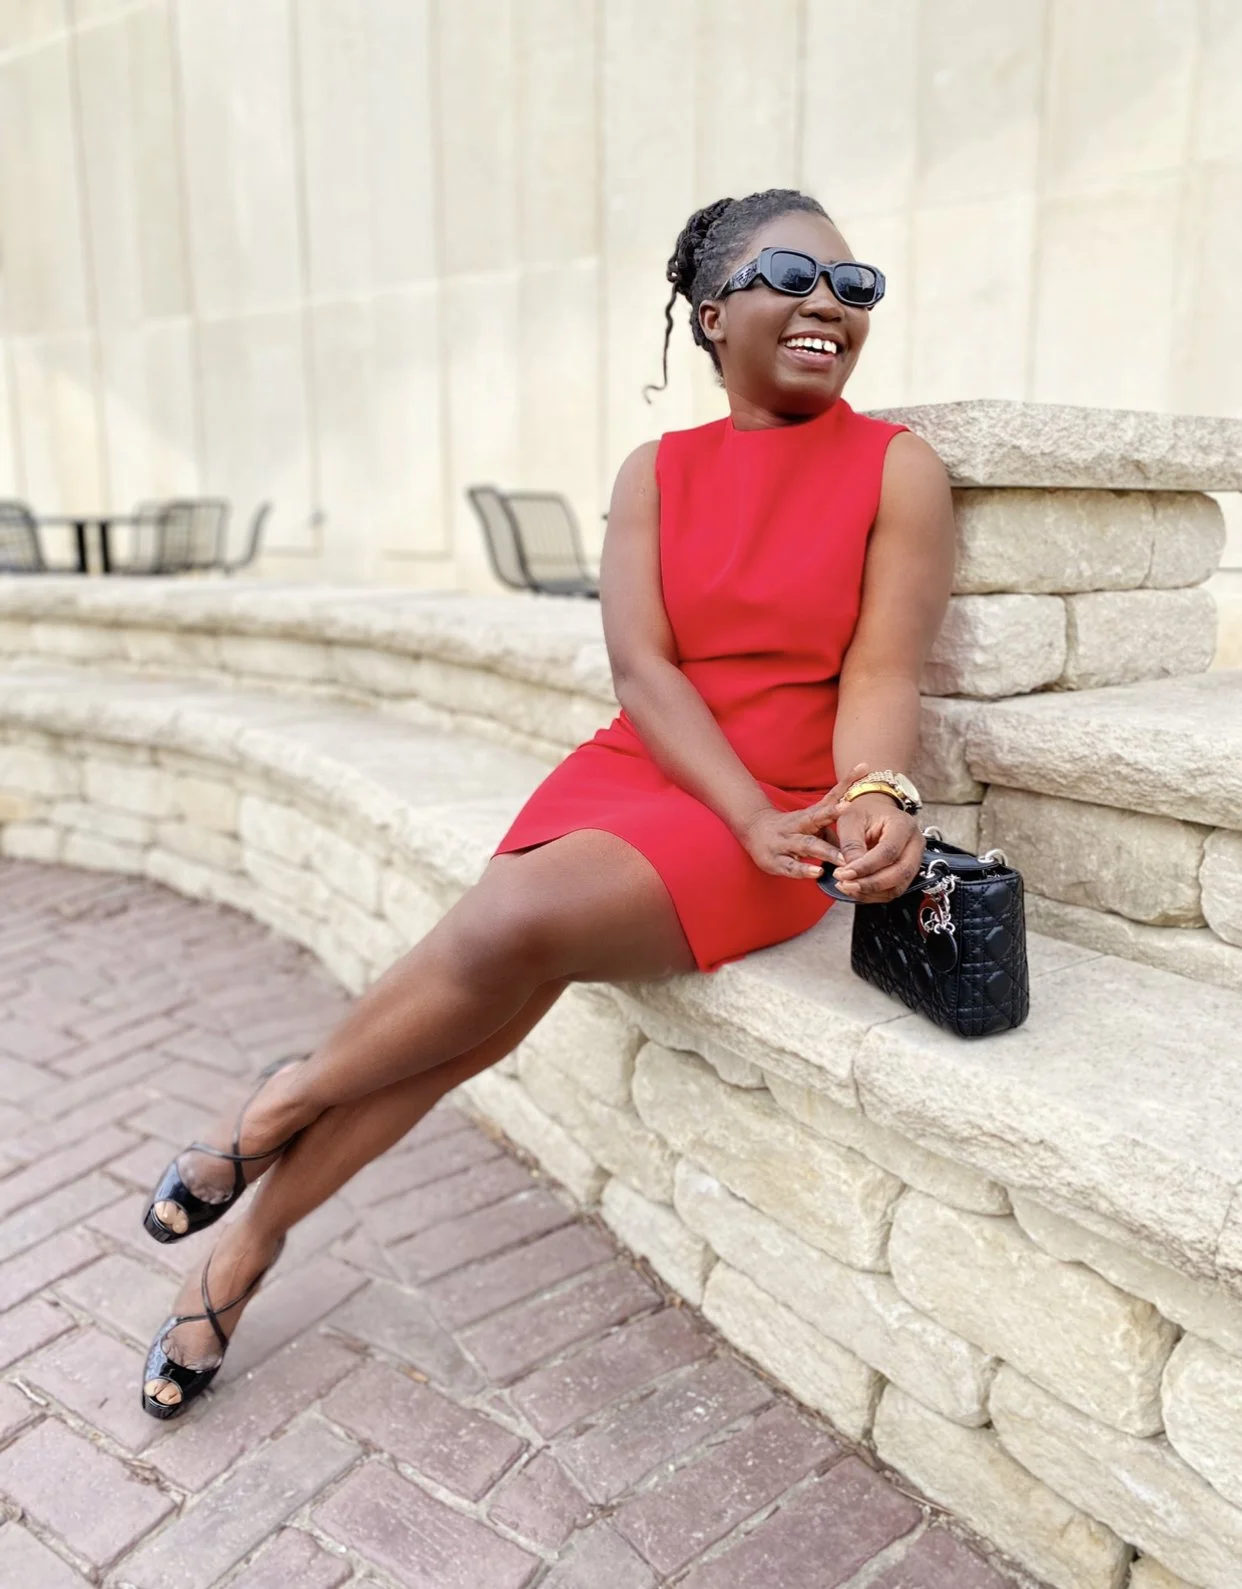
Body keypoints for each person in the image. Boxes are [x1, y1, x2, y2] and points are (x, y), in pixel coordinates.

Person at [138, 187, 955, 1418]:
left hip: (785, 810)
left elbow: (884, 669)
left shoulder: (896, 468)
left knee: (509, 928)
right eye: (793, 276)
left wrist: (877, 792)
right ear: (712, 312)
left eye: (855, 285)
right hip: (651, 764)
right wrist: (729, 803)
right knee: (484, 1000)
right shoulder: (658, 471)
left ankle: (276, 1106)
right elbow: (645, 669)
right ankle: (249, 1240)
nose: (829, 304)